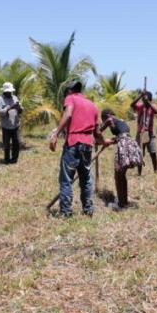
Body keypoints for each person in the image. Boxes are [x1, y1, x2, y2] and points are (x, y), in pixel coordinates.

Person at [49, 80, 105, 217]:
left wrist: (55, 134)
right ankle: (88, 210)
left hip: (73, 143)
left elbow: (68, 114)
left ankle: (66, 212)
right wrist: (104, 141)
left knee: (66, 179)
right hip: (87, 145)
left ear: (69, 91)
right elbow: (97, 132)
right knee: (85, 178)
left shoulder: (70, 98)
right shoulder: (92, 105)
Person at [99, 109, 144, 210]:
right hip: (129, 143)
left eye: (103, 119)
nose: (104, 121)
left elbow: (99, 131)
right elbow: (121, 134)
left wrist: (97, 136)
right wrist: (111, 140)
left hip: (123, 145)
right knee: (121, 174)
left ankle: (120, 204)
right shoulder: (121, 121)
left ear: (106, 116)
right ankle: (124, 201)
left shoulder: (109, 119)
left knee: (118, 174)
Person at [130, 90, 157, 175]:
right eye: (143, 98)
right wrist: (140, 96)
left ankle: (155, 171)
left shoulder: (152, 106)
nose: (143, 99)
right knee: (140, 153)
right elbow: (132, 105)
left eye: (145, 98)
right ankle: (139, 173)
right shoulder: (140, 106)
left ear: (149, 99)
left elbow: (156, 111)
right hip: (140, 133)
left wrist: (148, 103)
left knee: (153, 153)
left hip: (149, 133)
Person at [0, 82, 23, 164]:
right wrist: (10, 107)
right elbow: (0, 112)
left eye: (11, 91)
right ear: (4, 91)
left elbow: (21, 110)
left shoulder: (14, 97)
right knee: (6, 144)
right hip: (6, 126)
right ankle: (6, 160)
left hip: (16, 125)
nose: (10, 93)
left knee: (16, 143)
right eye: (8, 91)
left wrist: (19, 108)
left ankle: (14, 159)